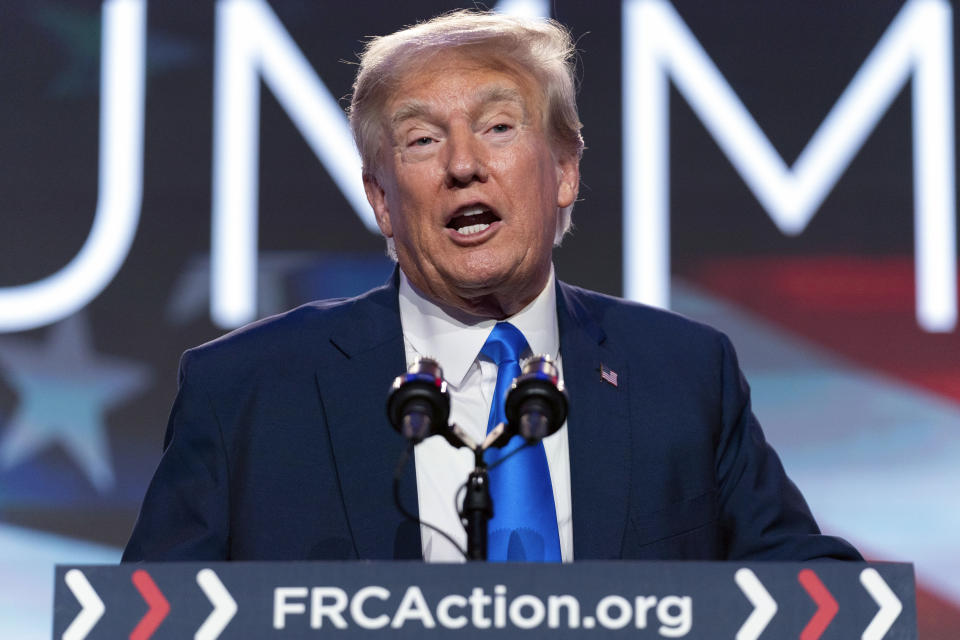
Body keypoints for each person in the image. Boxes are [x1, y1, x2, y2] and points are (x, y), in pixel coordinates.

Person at [123, 10, 860, 563]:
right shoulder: (246, 390)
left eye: (499, 127)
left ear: (565, 170)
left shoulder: (684, 374)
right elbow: (148, 615)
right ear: (382, 198)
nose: (463, 165)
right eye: (421, 140)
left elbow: (803, 588)